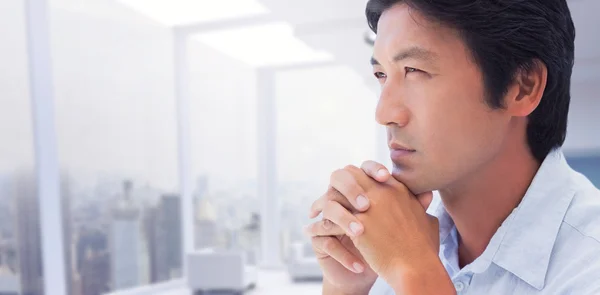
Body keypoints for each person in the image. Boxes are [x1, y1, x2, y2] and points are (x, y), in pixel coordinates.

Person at [305, 0, 600, 294]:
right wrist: (349, 286)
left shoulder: (589, 267)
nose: (384, 114)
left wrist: (417, 274)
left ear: (522, 86)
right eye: (381, 75)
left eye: (414, 70)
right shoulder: (397, 246)